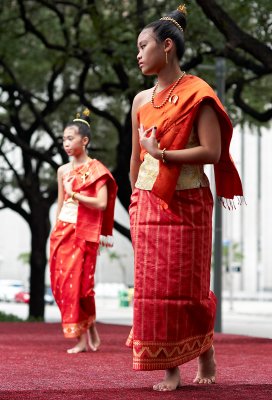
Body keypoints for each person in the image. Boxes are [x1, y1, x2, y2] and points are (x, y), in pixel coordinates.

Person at [126, 4, 243, 391]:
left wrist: (164, 155)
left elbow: (211, 152)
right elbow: (134, 158)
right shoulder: (141, 101)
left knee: (186, 286)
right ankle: (170, 366)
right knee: (153, 288)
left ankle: (204, 346)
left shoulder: (198, 95)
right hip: (148, 201)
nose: (138, 54)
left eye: (144, 45)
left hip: (188, 200)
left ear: (169, 47)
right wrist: (134, 200)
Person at [50, 109, 117, 354]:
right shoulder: (62, 171)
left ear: (84, 141)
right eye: (64, 139)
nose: (66, 143)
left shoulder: (96, 169)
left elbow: (101, 203)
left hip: (84, 233)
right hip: (62, 231)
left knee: (80, 287)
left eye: (71, 138)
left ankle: (81, 337)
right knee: (60, 285)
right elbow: (60, 203)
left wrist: (75, 193)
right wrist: (54, 228)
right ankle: (89, 327)